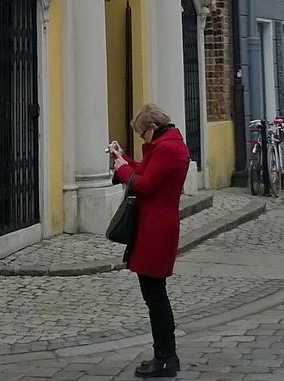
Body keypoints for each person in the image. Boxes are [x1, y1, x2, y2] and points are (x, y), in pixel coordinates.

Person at [109, 104, 190, 378]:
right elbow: (145, 171)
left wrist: (121, 170)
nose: (143, 139)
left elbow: (144, 185)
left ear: (153, 128)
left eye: (143, 134)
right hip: (155, 226)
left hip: (156, 228)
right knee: (155, 294)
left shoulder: (168, 149)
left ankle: (165, 358)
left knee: (155, 296)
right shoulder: (168, 145)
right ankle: (165, 356)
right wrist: (124, 160)